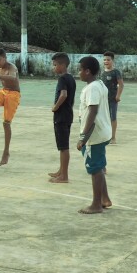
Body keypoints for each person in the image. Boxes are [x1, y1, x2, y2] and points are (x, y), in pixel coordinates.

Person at [75, 56, 112, 214]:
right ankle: (105, 198)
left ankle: (96, 204)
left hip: (94, 136)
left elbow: (93, 111)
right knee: (99, 166)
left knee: (95, 169)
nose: (79, 73)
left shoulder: (92, 88)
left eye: (80, 70)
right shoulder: (99, 84)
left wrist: (83, 137)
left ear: (88, 71)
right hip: (102, 132)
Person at [48, 52, 76, 184]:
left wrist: (55, 107)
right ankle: (61, 170)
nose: (54, 68)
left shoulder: (62, 79)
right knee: (62, 145)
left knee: (63, 146)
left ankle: (64, 176)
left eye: (55, 65)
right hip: (68, 114)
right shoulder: (71, 78)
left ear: (62, 65)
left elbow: (63, 95)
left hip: (61, 116)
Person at [102, 51, 124, 145]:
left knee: (113, 117)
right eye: (104, 60)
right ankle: (105, 136)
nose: (106, 61)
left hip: (112, 99)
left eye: (108, 60)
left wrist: (118, 96)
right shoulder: (102, 72)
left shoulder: (116, 72)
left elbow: (121, 85)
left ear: (112, 60)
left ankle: (113, 137)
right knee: (103, 118)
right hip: (103, 99)